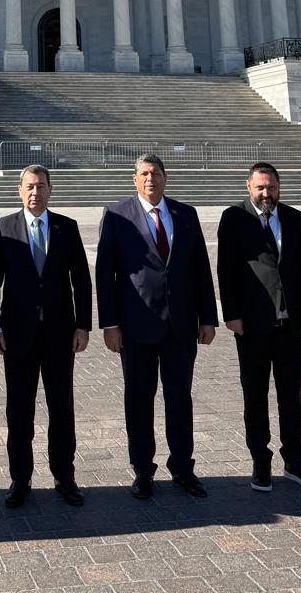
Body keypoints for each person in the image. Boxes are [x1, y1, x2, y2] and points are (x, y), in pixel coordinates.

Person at [96, 153, 217, 499]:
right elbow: (105, 273)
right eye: (144, 174)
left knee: (179, 398)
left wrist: (208, 318)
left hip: (181, 326)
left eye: (156, 173)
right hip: (135, 326)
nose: (151, 179)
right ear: (134, 180)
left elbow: (200, 268)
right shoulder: (117, 214)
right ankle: (142, 469)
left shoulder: (185, 214)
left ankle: (182, 466)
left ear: (166, 178)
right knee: (139, 399)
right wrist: (110, 324)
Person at [0, 166, 91, 507]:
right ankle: (20, 478)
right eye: (29, 186)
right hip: (17, 336)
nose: (35, 192)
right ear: (19, 190)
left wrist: (83, 325)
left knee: (62, 408)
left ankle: (64, 475)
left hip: (60, 335)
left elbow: (81, 280)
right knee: (19, 410)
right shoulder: (4, 227)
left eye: (41, 186)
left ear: (50, 190)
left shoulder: (67, 227)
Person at [216, 162, 301, 492]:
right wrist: (231, 314)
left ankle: (295, 461)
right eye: (260, 187)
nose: (266, 193)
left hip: (291, 327)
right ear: (248, 186)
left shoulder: (294, 218)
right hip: (252, 326)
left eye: (272, 187)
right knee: (255, 397)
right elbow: (226, 269)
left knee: (292, 398)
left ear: (279, 188)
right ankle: (260, 462)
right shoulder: (234, 218)